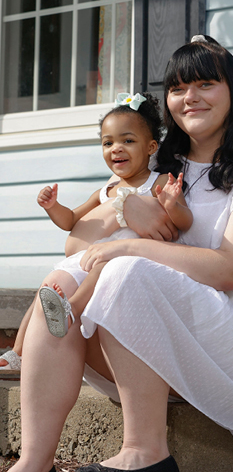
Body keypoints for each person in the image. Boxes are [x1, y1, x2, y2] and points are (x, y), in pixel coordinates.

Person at [0, 35, 233, 472]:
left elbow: (230, 271)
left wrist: (128, 247)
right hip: (165, 349)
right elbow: (75, 244)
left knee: (125, 267)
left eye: (206, 83)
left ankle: (146, 450)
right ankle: (34, 462)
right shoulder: (162, 171)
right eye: (179, 87)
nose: (191, 97)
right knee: (61, 287)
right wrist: (127, 204)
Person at [36, 92, 192, 338]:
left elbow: (186, 222)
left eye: (128, 141)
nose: (116, 148)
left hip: (127, 261)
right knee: (49, 282)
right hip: (91, 257)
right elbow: (71, 221)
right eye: (108, 143)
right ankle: (19, 351)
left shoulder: (158, 182)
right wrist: (52, 206)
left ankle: (71, 311)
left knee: (104, 267)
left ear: (151, 147)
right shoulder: (106, 191)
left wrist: (172, 205)